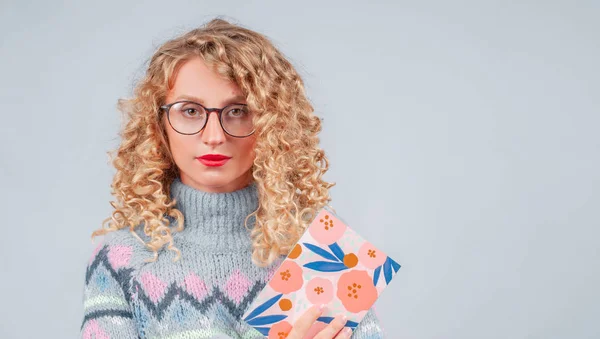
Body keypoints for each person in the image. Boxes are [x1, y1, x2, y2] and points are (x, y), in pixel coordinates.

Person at [80, 18, 386, 339]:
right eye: (190, 111)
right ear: (160, 122)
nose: (213, 136)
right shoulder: (123, 257)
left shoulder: (323, 254)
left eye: (239, 111)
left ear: (273, 123)